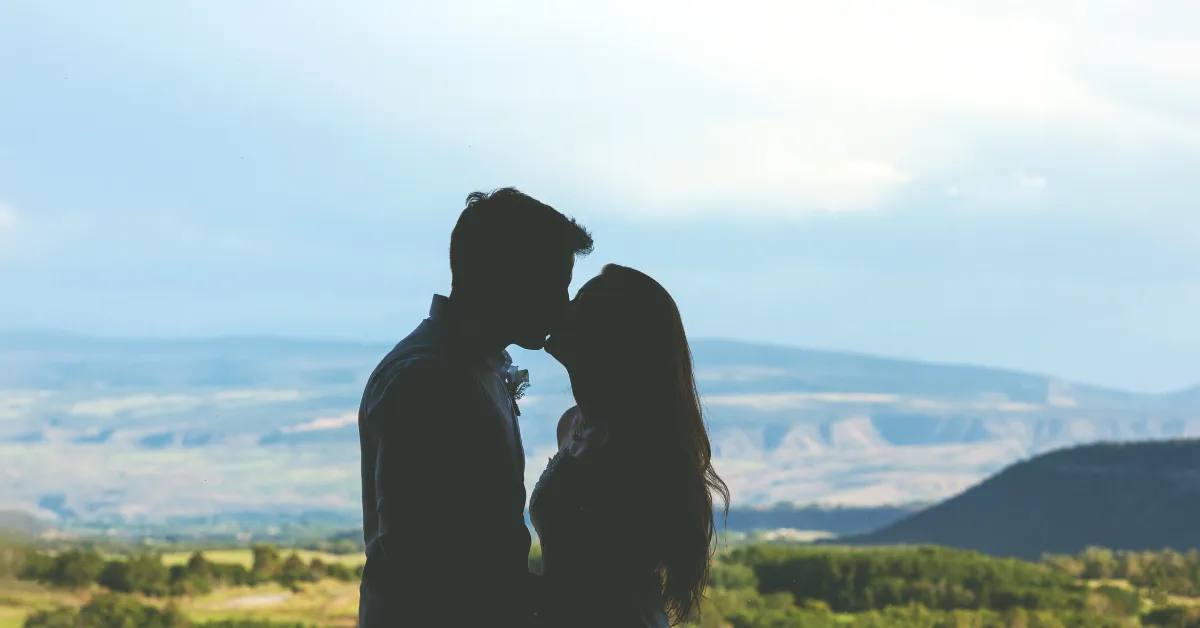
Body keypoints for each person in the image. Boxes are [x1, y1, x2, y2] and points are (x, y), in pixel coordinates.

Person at [356, 188, 594, 628]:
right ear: (509, 278)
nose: (563, 305)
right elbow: (421, 558)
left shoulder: (467, 366)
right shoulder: (427, 380)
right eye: (555, 285)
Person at [532, 263, 731, 628]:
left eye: (579, 303)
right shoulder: (572, 423)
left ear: (609, 335)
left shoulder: (634, 446)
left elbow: (601, 580)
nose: (563, 307)